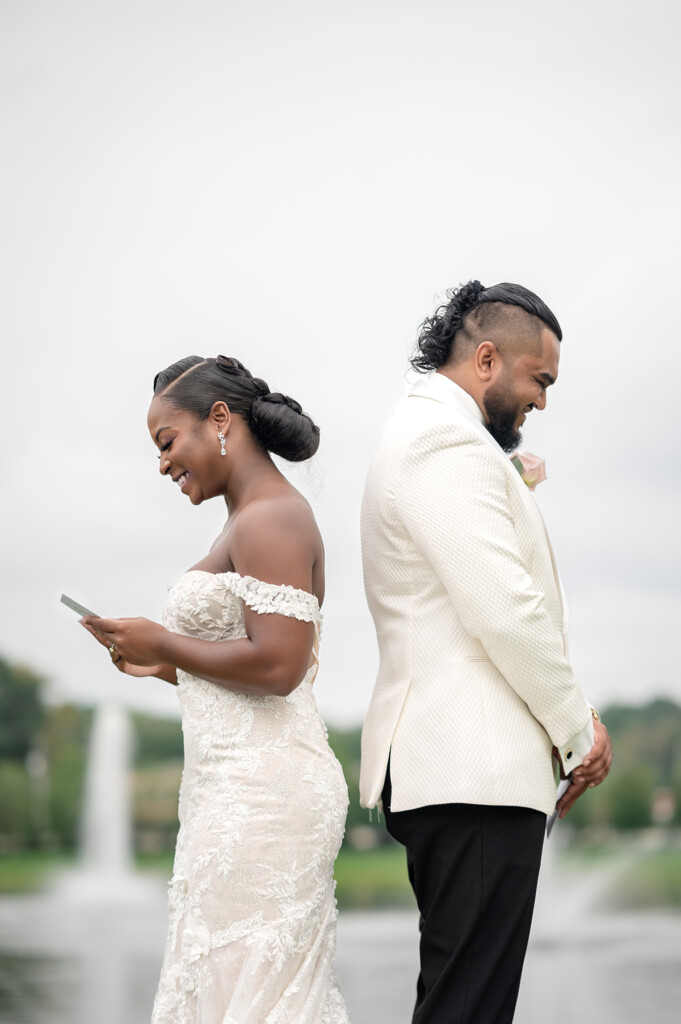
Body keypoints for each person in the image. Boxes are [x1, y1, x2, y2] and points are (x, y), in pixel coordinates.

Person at [359, 281, 612, 1024]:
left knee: (460, 1004)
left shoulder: (437, 437)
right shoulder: (442, 441)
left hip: (465, 774)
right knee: (468, 1009)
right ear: (487, 359)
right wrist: (577, 731)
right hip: (472, 772)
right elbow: (504, 610)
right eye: (539, 380)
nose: (541, 401)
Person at [81, 354, 350, 1024]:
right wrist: (155, 663)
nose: (163, 463)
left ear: (220, 419)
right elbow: (247, 663)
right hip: (231, 790)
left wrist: (166, 641)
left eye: (167, 441)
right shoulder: (244, 520)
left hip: (265, 797)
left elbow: (282, 666)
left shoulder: (271, 518)